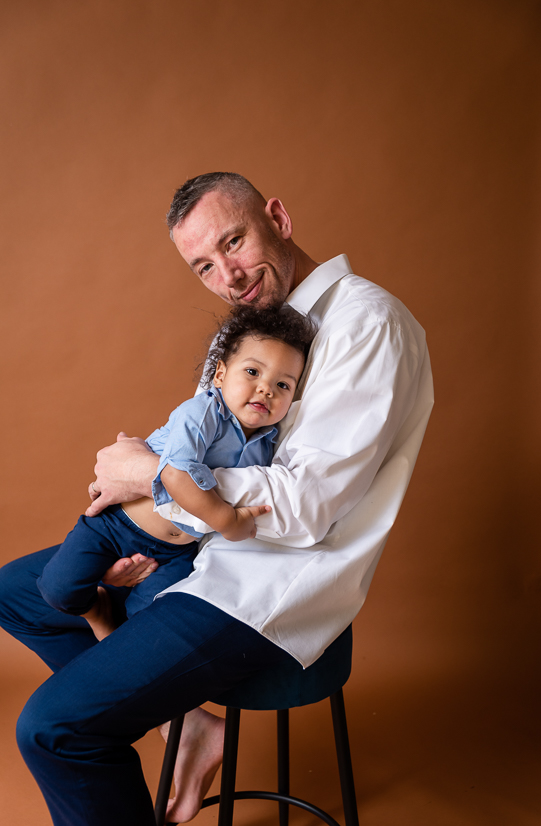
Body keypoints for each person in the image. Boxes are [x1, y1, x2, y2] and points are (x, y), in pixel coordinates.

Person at [0, 172, 434, 826]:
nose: (227, 274)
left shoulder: (366, 322)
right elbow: (200, 453)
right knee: (18, 592)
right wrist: (140, 517)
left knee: (56, 730)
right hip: (198, 551)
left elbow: (306, 506)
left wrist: (148, 477)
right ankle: (186, 721)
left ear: (278, 219)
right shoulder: (248, 330)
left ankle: (154, 714)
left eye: (234, 242)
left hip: (267, 587)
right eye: (204, 264)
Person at [35, 305, 315, 641]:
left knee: (150, 618)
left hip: (180, 549)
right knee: (59, 589)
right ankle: (98, 610)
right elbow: (175, 475)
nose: (266, 389)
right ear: (221, 375)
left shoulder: (269, 443)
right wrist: (228, 521)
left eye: (283, 385)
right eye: (253, 372)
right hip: (118, 524)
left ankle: (121, 649)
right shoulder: (202, 412)